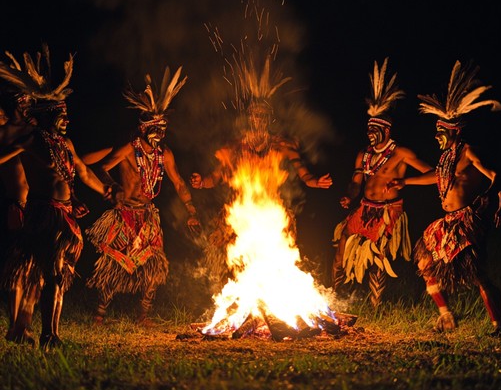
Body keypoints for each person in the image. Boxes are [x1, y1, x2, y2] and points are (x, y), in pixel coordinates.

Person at [0, 45, 117, 348]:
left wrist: (103, 189)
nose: (67, 120)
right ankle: (45, 334)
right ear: (49, 114)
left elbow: (83, 171)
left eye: (67, 115)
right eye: (62, 115)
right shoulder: (31, 138)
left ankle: (40, 331)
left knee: (55, 277)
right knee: (44, 276)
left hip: (65, 215)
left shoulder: (65, 143)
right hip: (44, 215)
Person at [387, 60, 501, 335]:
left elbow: (495, 175)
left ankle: (498, 325)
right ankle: (446, 315)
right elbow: (435, 176)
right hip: (447, 220)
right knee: (424, 262)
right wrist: (405, 181)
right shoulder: (446, 158)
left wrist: (498, 202)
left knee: (477, 275)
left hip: (466, 220)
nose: (437, 135)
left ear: (454, 131)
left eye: (441, 131)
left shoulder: (468, 152)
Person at [86, 66, 201, 324]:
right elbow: (102, 167)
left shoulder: (165, 154)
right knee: (113, 266)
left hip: (148, 216)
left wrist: (191, 211)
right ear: (144, 127)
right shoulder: (129, 148)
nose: (160, 134)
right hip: (124, 212)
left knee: (155, 265)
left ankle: (143, 315)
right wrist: (110, 186)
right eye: (156, 128)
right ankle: (99, 315)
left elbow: (180, 183)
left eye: (163, 129)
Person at [190, 95, 333, 290]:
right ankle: (233, 300)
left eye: (264, 115)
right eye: (256, 115)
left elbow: (304, 174)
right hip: (239, 213)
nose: (260, 119)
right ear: (250, 117)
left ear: (269, 119)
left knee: (273, 255)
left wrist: (316, 182)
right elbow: (215, 177)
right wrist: (201, 183)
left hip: (271, 212)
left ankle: (270, 298)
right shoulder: (235, 147)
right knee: (229, 257)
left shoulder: (280, 146)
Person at [332, 58, 432, 307]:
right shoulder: (363, 154)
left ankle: (376, 305)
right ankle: (334, 295)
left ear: (386, 130)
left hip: (389, 211)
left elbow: (433, 173)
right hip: (364, 207)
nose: (370, 133)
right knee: (341, 243)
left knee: (379, 254)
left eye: (375, 128)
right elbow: (356, 182)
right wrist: (349, 196)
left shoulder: (402, 153)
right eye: (369, 128)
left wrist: (406, 181)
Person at [0, 88, 36, 342]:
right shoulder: (3, 133)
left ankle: (25, 324)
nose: (23, 109)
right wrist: (19, 147)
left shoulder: (34, 131)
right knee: (17, 269)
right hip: (17, 205)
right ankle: (14, 324)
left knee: (35, 267)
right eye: (19, 105)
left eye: (26, 104)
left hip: (39, 206)